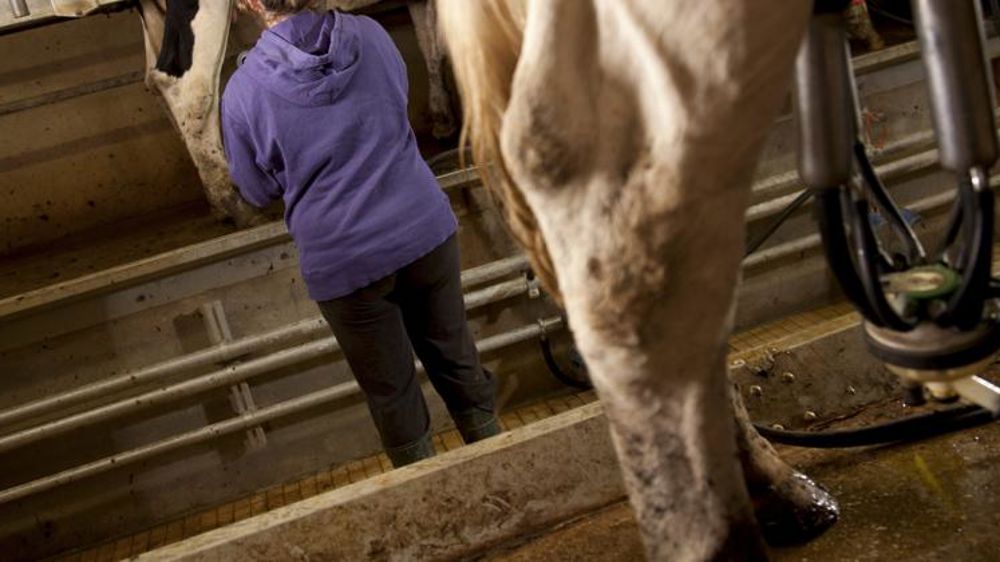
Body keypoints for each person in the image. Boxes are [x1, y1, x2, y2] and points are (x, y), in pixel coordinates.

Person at [222, 0, 500, 467]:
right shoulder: (370, 35)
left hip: (346, 262)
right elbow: (396, 100)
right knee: (458, 361)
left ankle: (437, 505)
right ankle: (503, 469)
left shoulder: (243, 92)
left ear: (250, 3)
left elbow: (254, 189)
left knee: (393, 395)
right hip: (422, 230)